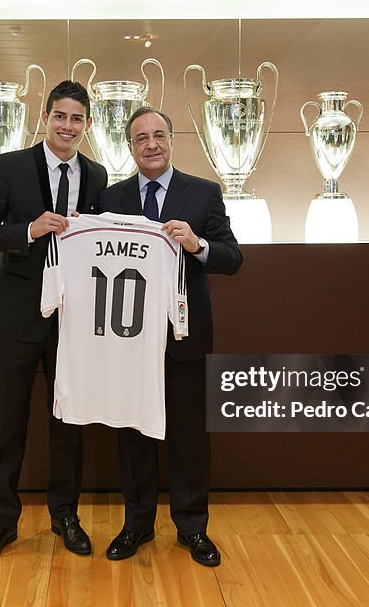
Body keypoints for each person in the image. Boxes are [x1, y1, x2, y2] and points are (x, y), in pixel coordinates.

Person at [0, 80, 108, 566]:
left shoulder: (97, 174)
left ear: (86, 125)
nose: (68, 126)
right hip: (14, 317)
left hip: (73, 320)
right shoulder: (10, 166)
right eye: (60, 116)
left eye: (77, 119)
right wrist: (28, 230)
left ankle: (65, 515)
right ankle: (2, 521)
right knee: (8, 424)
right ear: (46, 117)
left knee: (68, 421)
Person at [99, 106, 242, 567]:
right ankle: (136, 526)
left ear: (172, 140)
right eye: (141, 138)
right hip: (129, 338)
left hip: (186, 335)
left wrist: (197, 245)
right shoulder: (112, 197)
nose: (151, 144)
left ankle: (192, 528)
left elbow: (232, 257)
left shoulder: (203, 193)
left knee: (188, 436)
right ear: (131, 147)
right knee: (133, 433)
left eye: (158, 135)